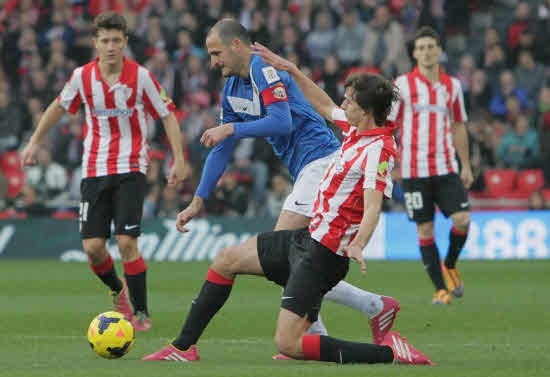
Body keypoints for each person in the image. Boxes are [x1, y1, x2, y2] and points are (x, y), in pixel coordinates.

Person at [142, 49, 433, 365]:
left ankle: (389, 353)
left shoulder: (379, 150)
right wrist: (293, 70)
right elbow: (322, 103)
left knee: (288, 343)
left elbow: (373, 206)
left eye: (349, 101)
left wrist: (359, 243)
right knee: (226, 260)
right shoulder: (354, 131)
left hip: (323, 254)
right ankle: (183, 348)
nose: (343, 105)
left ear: (363, 111)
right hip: (304, 242)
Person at [174, 18, 400, 355]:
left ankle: (311, 337)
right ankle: (367, 309)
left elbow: (283, 121)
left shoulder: (263, 71)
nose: (212, 62)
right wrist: (198, 199)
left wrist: (233, 130)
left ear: (237, 45)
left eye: (216, 52)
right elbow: (221, 148)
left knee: (285, 259)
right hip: (305, 170)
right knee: (293, 264)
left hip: (320, 162)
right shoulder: (232, 90)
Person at [20, 12, 187, 330]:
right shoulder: (83, 77)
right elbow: (58, 107)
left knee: (126, 242)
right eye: (105, 40)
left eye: (116, 40)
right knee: (93, 249)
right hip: (94, 169)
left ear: (124, 42)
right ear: (95, 43)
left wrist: (178, 159)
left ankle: (140, 311)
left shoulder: (141, 77)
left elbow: (167, 115)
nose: (111, 46)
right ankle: (117, 289)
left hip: (131, 166)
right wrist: (33, 142)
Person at [387, 26, 473, 305]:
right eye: (421, 47)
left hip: (446, 167)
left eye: (430, 47)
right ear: (414, 53)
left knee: (463, 220)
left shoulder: (453, 86)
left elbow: (459, 126)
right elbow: (389, 126)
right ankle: (440, 289)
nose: (426, 52)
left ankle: (450, 263)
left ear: (439, 51)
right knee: (424, 230)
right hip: (413, 170)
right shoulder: (402, 85)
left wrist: (466, 165)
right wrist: (389, 163)